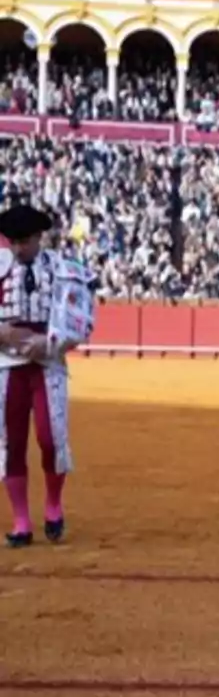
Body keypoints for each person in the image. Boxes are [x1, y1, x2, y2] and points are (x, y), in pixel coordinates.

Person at [0, 205, 94, 548]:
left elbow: (82, 319)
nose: (17, 249)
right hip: (7, 365)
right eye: (12, 242)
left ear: (39, 238)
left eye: (23, 242)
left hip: (48, 361)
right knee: (11, 444)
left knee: (50, 438)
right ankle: (21, 521)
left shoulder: (63, 270)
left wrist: (50, 342)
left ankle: (53, 505)